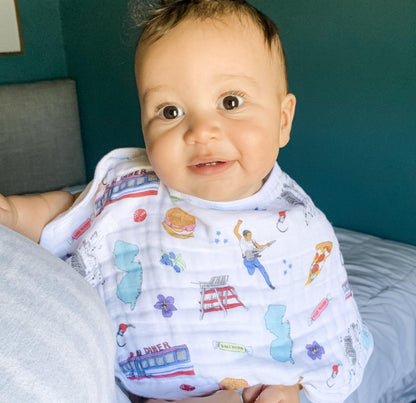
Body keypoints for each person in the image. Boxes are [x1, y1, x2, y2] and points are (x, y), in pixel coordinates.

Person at [0, 0, 373, 402]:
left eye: (230, 102)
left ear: (282, 120)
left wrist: (296, 389)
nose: (201, 131)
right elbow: (72, 210)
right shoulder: (133, 188)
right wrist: (17, 213)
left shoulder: (301, 227)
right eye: (170, 110)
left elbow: (327, 330)